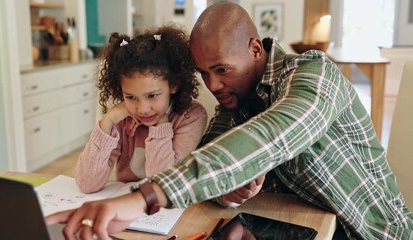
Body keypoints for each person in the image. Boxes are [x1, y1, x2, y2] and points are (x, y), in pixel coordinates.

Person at [47, 2, 413, 240]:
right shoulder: (234, 103)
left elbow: (274, 134)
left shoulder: (313, 75)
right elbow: (209, 157)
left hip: (371, 233)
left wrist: (145, 197)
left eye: (221, 69)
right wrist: (227, 190)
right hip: (302, 228)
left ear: (255, 49)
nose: (213, 85)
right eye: (204, 73)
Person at [74, 25, 208, 193]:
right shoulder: (121, 118)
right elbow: (87, 184)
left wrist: (161, 125)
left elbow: (164, 187)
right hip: (127, 205)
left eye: (152, 95)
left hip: (168, 211)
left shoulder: (191, 117)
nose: (143, 109)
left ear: (174, 84)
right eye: (130, 97)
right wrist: (107, 122)